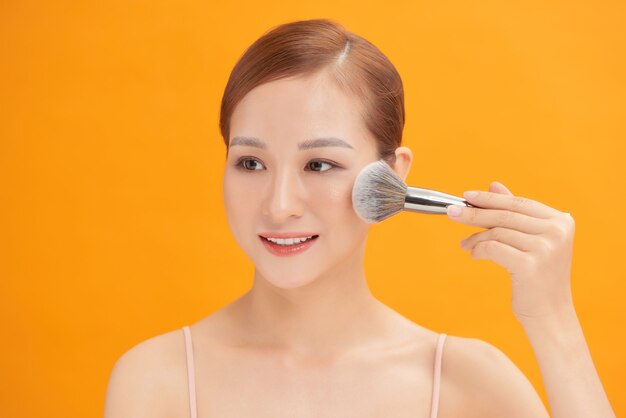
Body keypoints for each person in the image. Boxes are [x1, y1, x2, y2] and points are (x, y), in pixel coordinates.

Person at [104, 19, 615, 418]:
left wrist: (553, 320)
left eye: (320, 164)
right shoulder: (157, 378)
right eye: (251, 163)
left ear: (392, 176)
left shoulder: (467, 380)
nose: (279, 205)